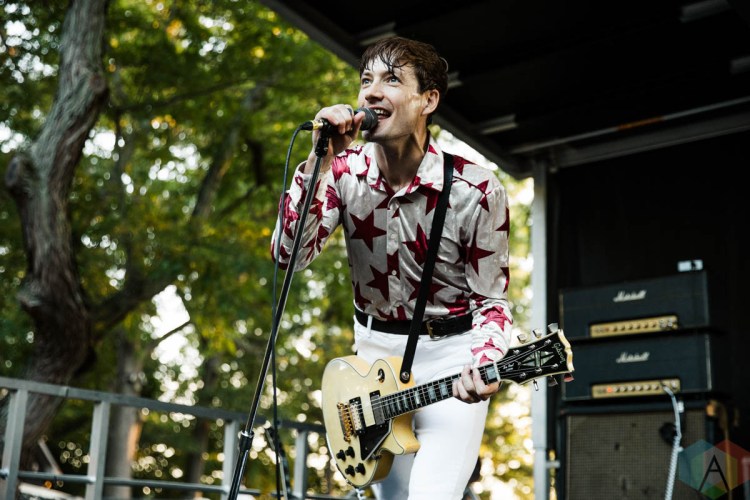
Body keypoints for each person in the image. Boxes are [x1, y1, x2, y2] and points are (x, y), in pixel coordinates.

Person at [271, 36, 513, 500]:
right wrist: (318, 162)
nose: (371, 92)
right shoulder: (341, 172)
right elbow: (289, 255)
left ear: (428, 100)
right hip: (371, 361)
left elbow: (492, 302)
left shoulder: (477, 190)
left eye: (391, 80)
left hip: (450, 357)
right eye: (366, 80)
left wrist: (485, 363)